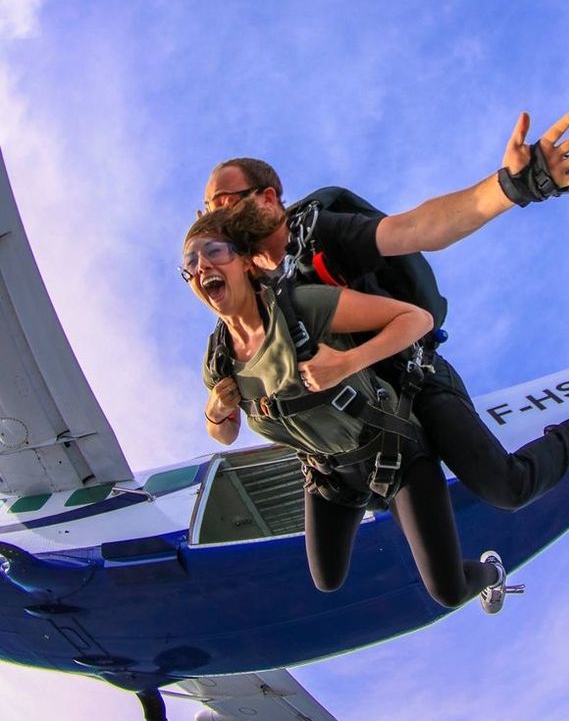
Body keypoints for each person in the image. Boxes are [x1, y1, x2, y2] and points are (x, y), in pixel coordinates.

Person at [199, 110, 569, 529]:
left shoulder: (319, 234)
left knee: (506, 488)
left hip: (409, 374)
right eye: (205, 212)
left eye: (221, 202)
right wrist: (219, 410)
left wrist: (513, 186)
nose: (213, 218)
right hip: (362, 415)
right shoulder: (242, 286)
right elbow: (232, 401)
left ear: (268, 198)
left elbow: (416, 228)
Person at [182, 206, 515, 615]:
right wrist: (215, 413)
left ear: (246, 262)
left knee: (447, 591)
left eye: (213, 251)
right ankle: (364, 498)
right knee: (327, 579)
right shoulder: (217, 360)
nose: (201, 266)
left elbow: (417, 319)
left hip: (394, 451)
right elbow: (225, 433)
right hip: (328, 473)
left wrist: (348, 361)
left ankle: (492, 573)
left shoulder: (299, 308)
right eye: (190, 263)